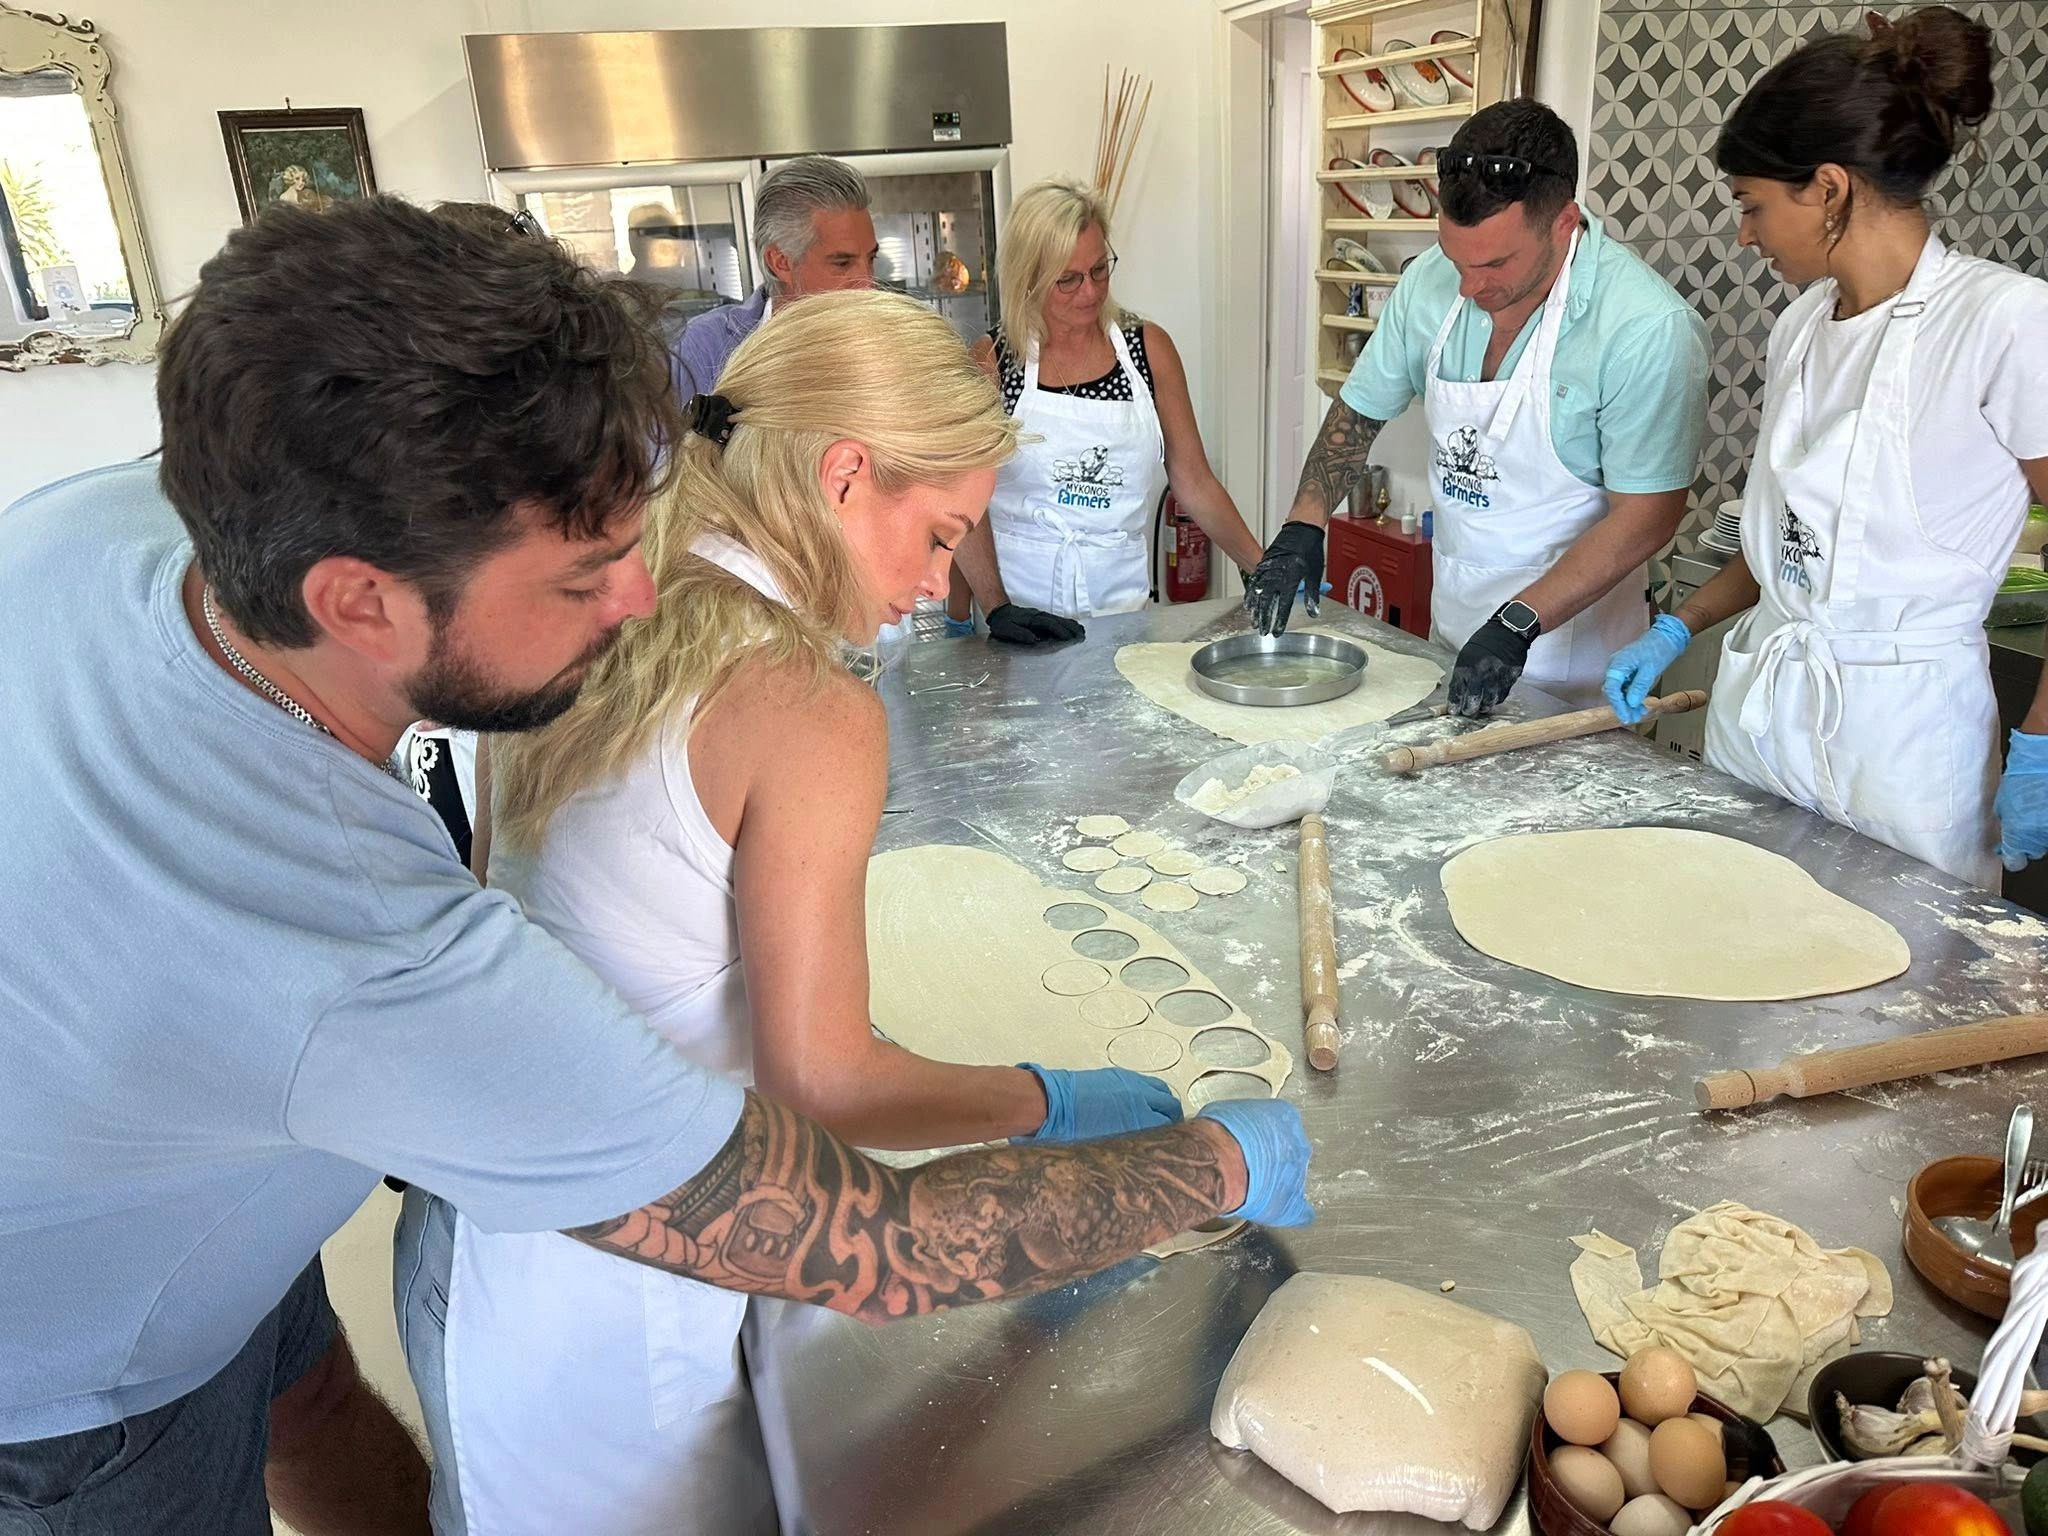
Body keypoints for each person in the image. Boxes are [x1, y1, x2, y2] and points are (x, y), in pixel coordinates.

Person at [0, 195, 1315, 1536]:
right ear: (358, 600)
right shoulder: (363, 942)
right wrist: (1188, 1157)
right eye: (580, 578)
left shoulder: (110, 525)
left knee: (391, 1461)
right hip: (120, 1380)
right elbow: (878, 1238)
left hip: (378, 1231)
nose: (628, 604)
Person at [396, 289, 1198, 1536]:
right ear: (842, 475)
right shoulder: (806, 703)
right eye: (935, 537)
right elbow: (824, 1081)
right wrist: (1049, 1101)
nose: (939, 587)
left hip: (477, 1240)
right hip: (625, 1306)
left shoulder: (598, 601)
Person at [1602, 7, 2048, 890]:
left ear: (1831, 189)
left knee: (1890, 1000)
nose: (1746, 234)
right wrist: (1671, 628)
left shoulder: (2005, 324)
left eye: (1753, 204)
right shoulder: (1801, 326)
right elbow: (1790, 557)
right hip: (1766, 720)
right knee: (1742, 975)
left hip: (1903, 746)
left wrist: (2039, 741)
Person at [1244, 100, 1710, 715]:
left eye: (1494, 263)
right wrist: (1304, 522)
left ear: (1565, 223)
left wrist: (1519, 622)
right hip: (1456, 636)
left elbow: (1647, 516)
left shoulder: (1645, 329)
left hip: (1575, 669)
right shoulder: (1431, 282)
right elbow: (1360, 412)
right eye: (1455, 258)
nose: (1468, 285)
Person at [950, 177, 1267, 643]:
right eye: (1068, 280)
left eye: (1100, 270)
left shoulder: (1147, 351)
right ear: (1029, 277)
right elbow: (962, 500)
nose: (1090, 293)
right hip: (1020, 617)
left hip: (1122, 611)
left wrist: (1260, 565)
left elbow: (1193, 480)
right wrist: (994, 608)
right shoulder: (994, 361)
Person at [668, 155, 879, 404]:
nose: (868, 283)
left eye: (872, 259)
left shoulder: (896, 341)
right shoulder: (703, 349)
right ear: (780, 262)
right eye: (842, 264)